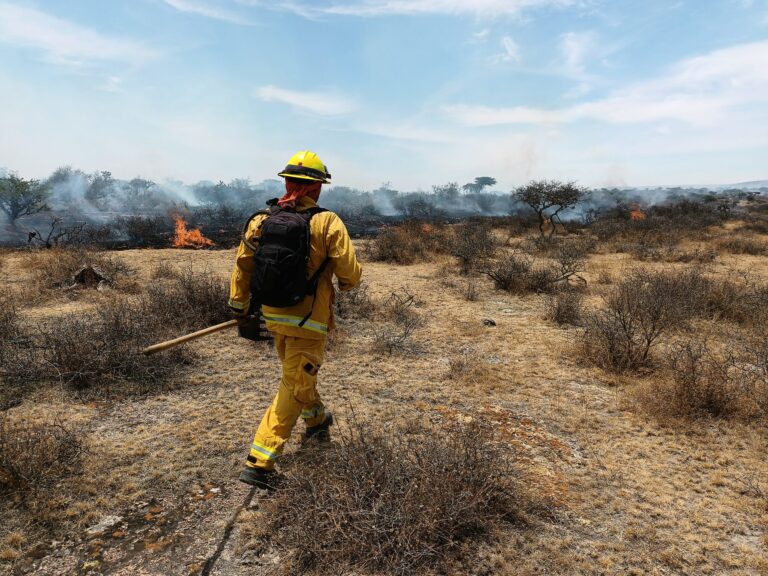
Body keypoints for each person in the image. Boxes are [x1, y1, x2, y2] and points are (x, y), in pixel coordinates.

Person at [228, 150, 362, 489]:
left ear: (287, 182)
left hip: (272, 316)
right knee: (294, 383)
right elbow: (350, 274)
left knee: (297, 373)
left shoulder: (261, 220)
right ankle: (260, 462)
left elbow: (243, 267)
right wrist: (344, 282)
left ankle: (316, 419)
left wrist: (239, 308)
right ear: (317, 188)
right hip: (308, 322)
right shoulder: (327, 222)